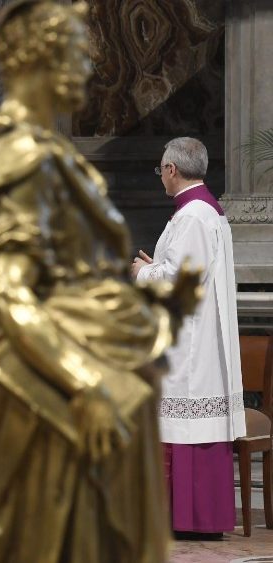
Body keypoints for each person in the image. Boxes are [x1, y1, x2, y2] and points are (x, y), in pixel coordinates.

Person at [0, 2, 199, 561]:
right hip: (47, 387)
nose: (89, 68)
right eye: (76, 54)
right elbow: (9, 297)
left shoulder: (53, 158)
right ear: (38, 57)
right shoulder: (14, 163)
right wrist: (88, 382)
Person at [132, 137, 246, 539]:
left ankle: (192, 520)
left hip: (191, 346)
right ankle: (185, 518)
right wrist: (158, 266)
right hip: (191, 336)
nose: (161, 176)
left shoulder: (195, 215)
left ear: (172, 170)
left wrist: (142, 273)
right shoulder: (200, 211)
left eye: (161, 170)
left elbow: (182, 280)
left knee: (188, 426)